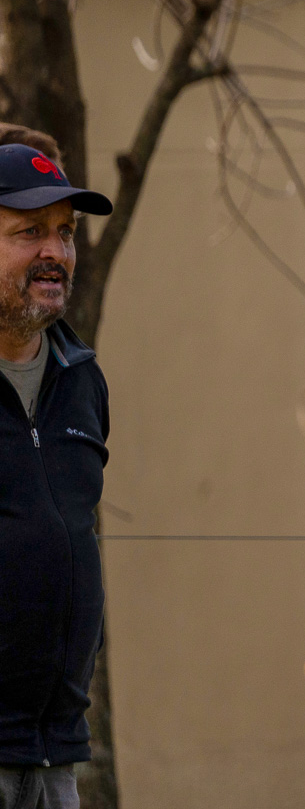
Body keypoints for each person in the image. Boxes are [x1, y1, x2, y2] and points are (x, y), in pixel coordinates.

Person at [0, 142, 116, 809]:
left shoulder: (84, 381)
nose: (56, 252)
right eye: (29, 232)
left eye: (65, 233)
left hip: (57, 753)